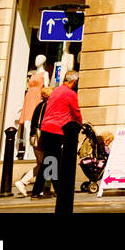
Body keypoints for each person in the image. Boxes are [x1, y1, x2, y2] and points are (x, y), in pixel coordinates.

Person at [37, 70, 82, 199]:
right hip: (57, 129)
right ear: (74, 82)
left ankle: (50, 188)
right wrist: (80, 123)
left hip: (46, 128)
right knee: (52, 160)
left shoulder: (56, 91)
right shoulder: (70, 93)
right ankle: (42, 189)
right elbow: (76, 111)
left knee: (50, 159)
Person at [15, 86, 53, 197]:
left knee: (41, 163)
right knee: (43, 164)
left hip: (34, 138)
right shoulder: (46, 106)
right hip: (41, 139)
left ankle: (41, 188)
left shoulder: (39, 106)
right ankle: (23, 182)